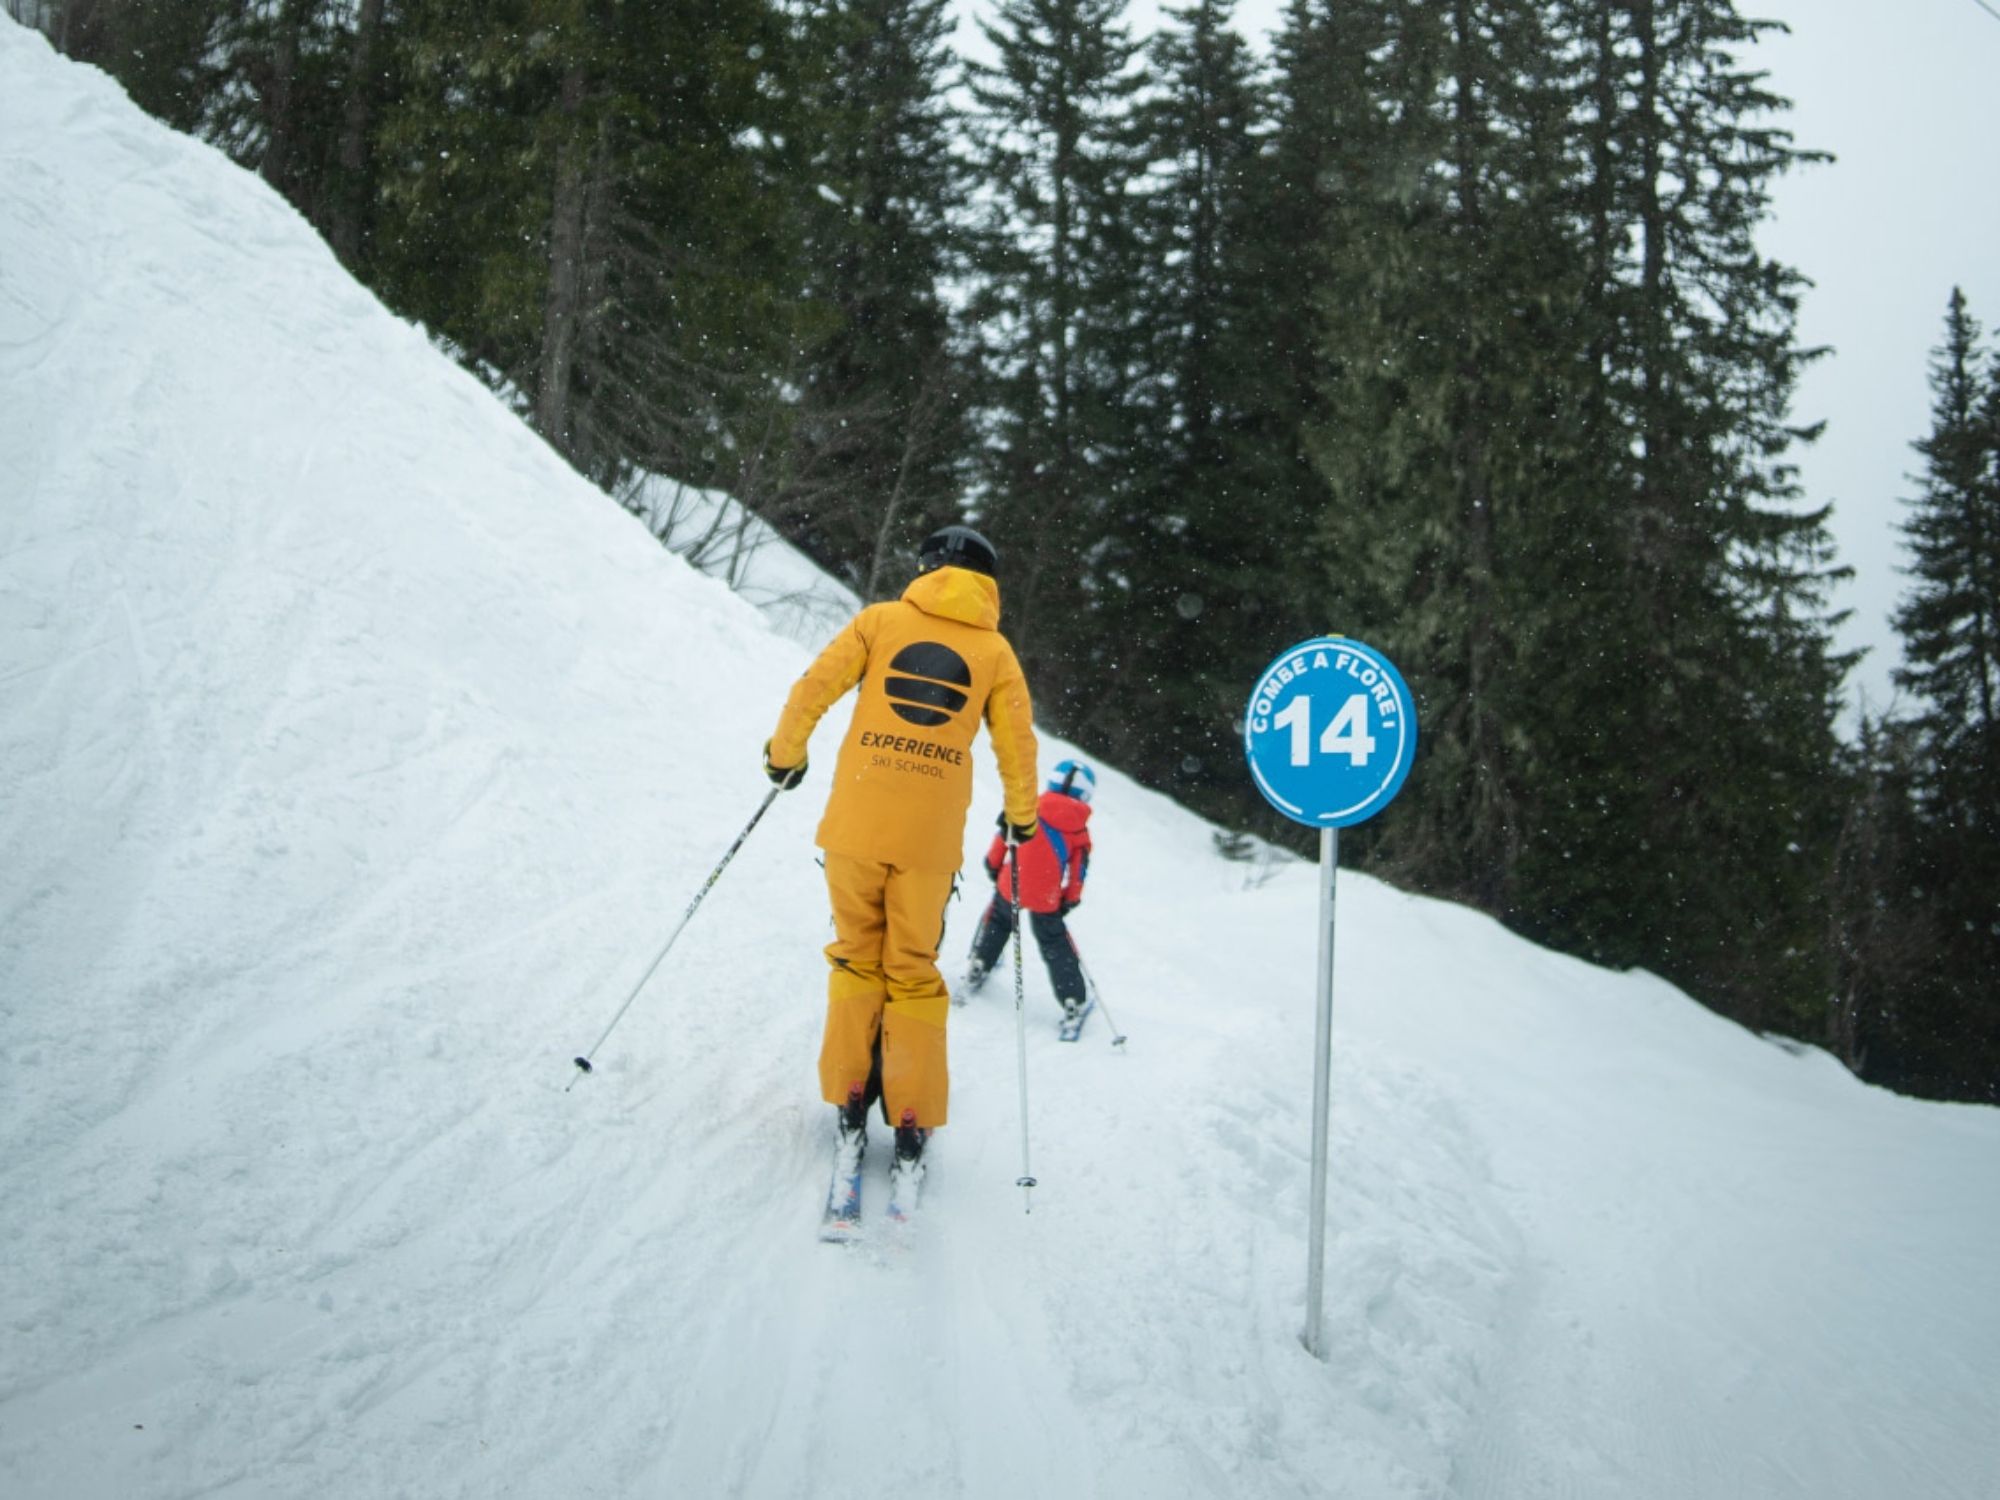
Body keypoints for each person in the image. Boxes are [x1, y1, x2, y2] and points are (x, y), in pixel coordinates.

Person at [762, 524, 1040, 1179]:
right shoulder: (996, 654)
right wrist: (1021, 818)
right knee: (912, 972)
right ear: (988, 583)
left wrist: (784, 757)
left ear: (927, 567)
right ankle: (910, 1122)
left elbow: (813, 689)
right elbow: (1017, 744)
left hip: (856, 827)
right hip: (927, 843)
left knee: (858, 961)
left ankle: (852, 1105)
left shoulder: (880, 622)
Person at [964, 758, 1095, 1025]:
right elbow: (1078, 869)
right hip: (1046, 896)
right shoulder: (1078, 830)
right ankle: (1072, 1000)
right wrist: (1069, 899)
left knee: (998, 921)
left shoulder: (1027, 807)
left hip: (1011, 881)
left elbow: (1005, 837)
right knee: (1054, 942)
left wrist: (993, 864)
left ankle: (979, 962)